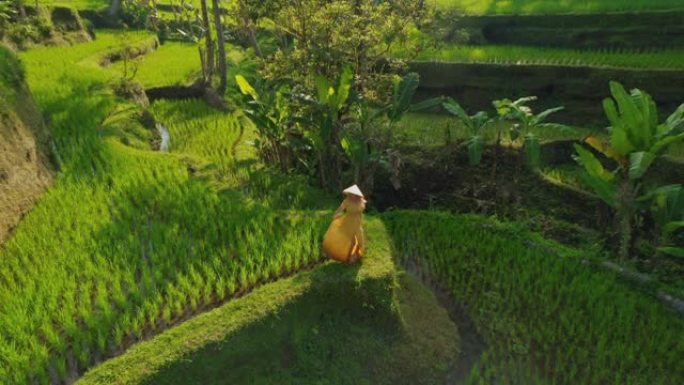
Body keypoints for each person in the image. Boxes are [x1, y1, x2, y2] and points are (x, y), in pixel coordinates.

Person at [322, 185, 367, 264]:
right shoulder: (346, 201)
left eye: (352, 194)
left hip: (357, 224)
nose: (350, 195)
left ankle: (357, 254)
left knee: (360, 241)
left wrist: (361, 221)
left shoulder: (362, 201)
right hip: (347, 224)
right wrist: (335, 215)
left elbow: (360, 212)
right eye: (350, 193)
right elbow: (340, 209)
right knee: (349, 242)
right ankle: (349, 258)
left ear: (356, 194)